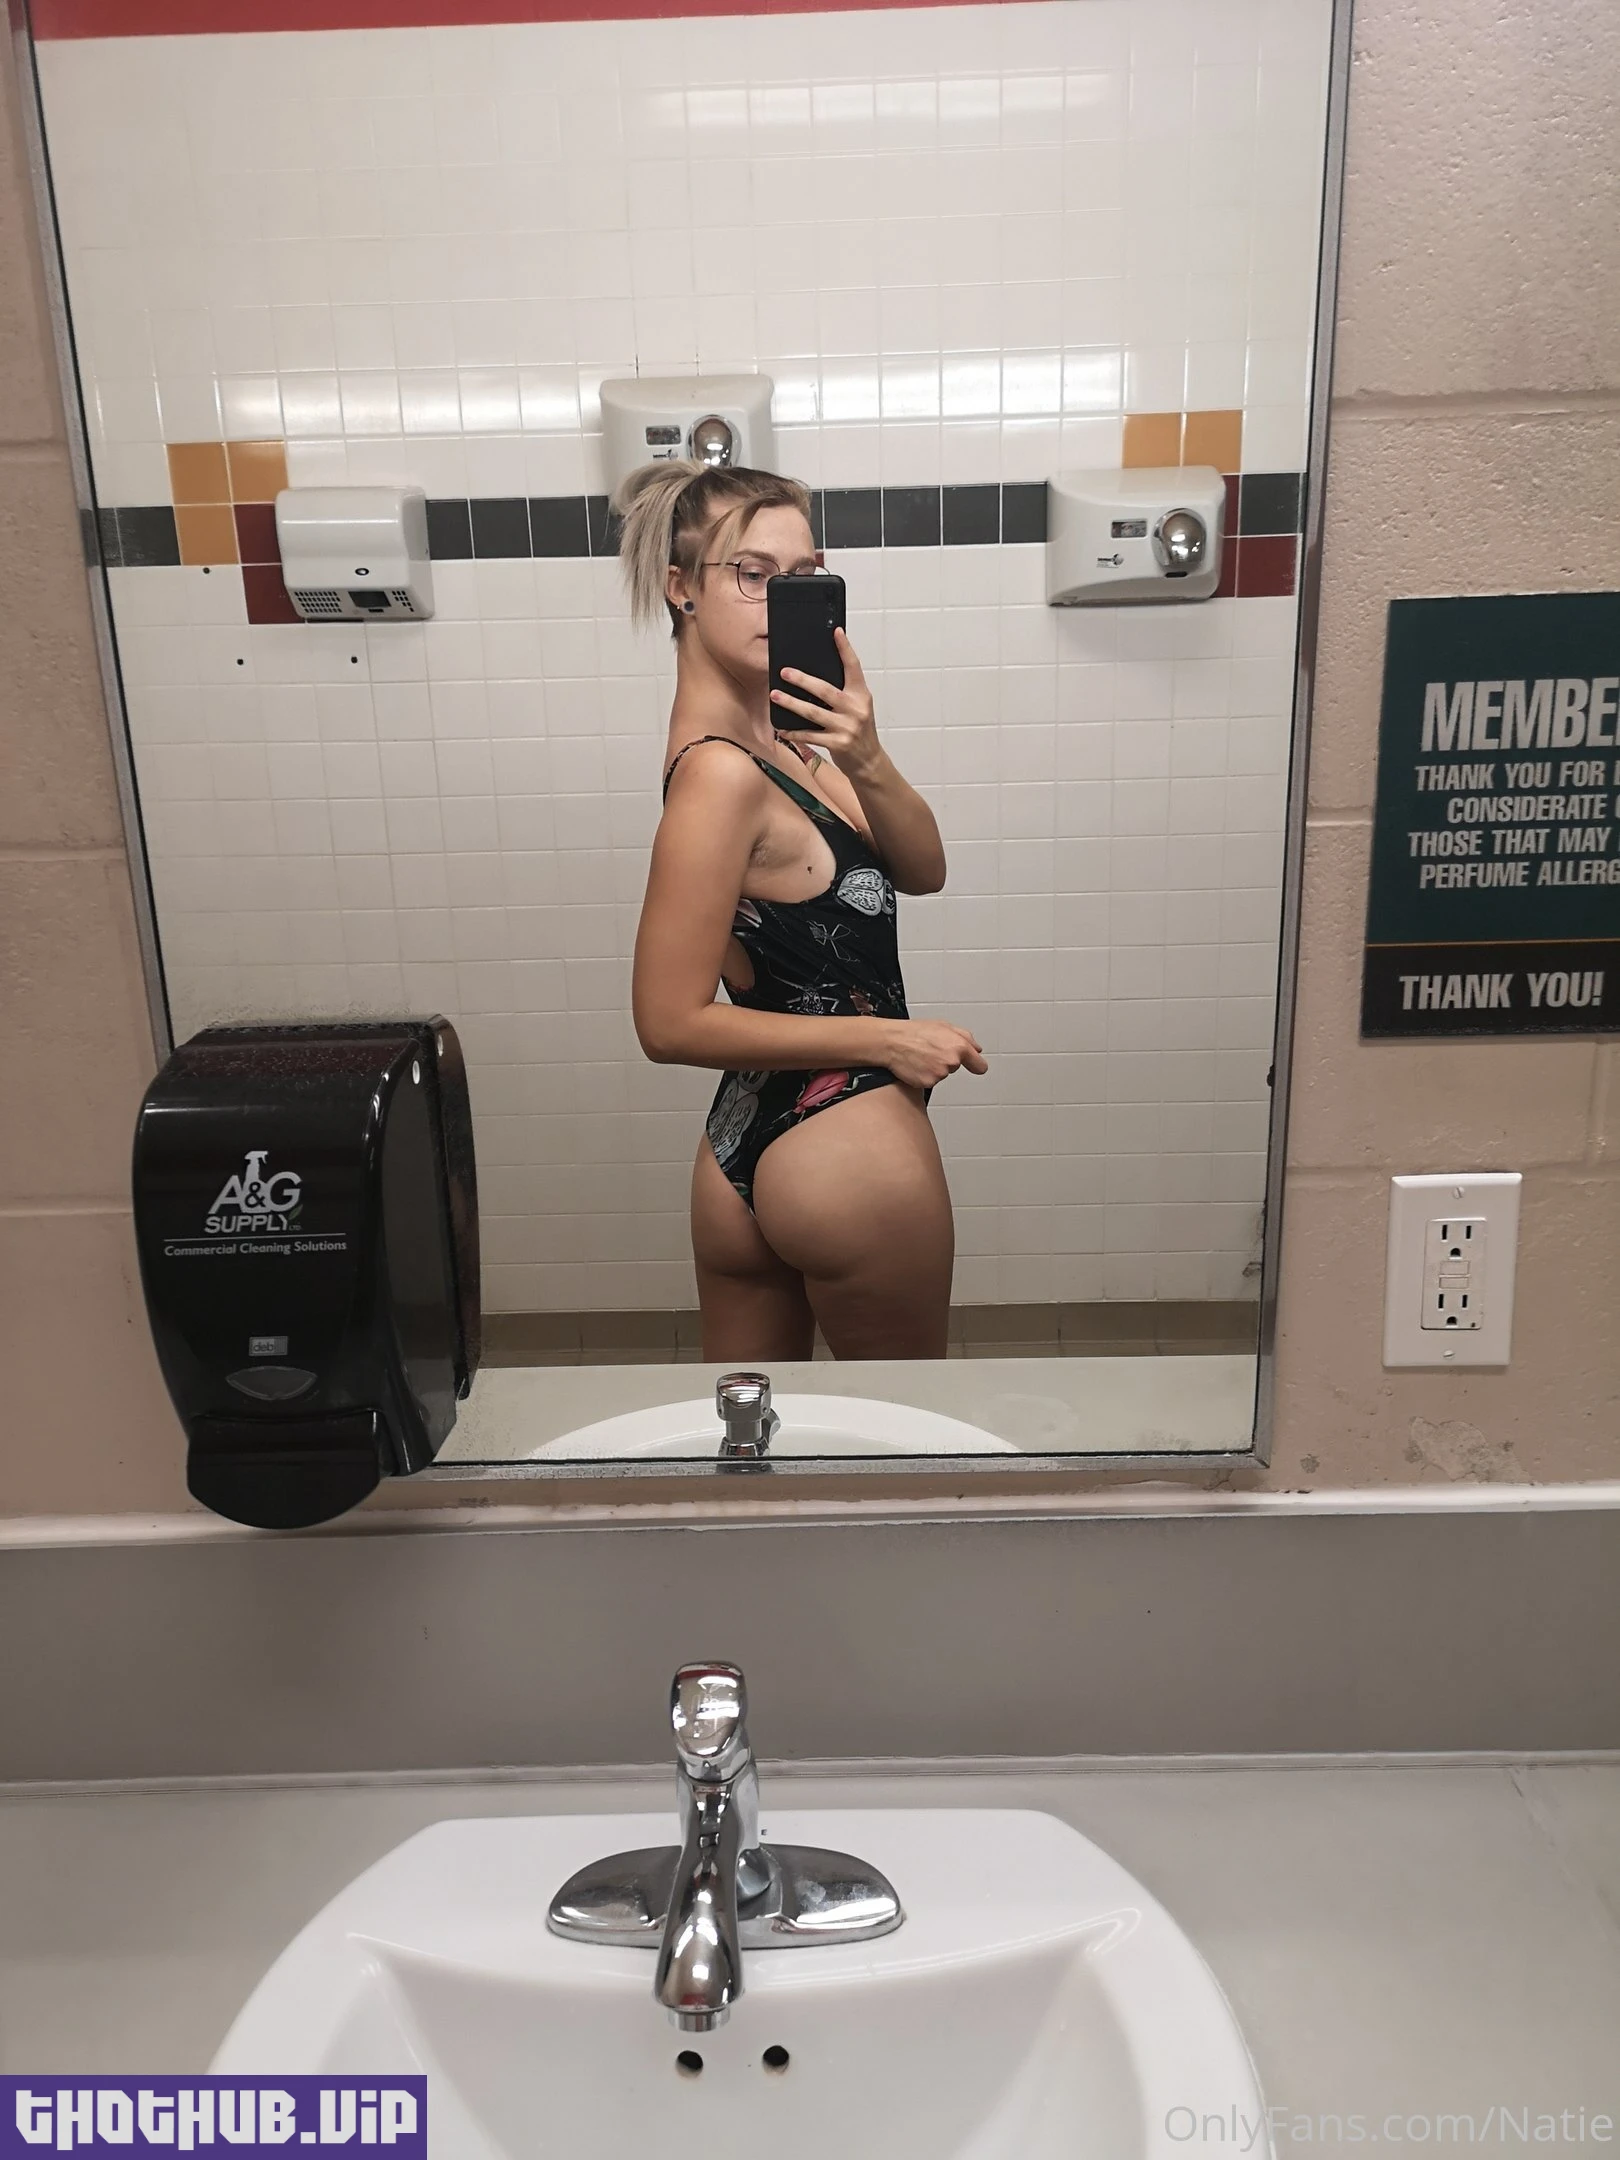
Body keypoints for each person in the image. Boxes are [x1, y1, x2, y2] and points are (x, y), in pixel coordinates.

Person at [620, 458, 988, 1361]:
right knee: (900, 1430)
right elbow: (666, 1023)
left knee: (753, 1437)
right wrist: (888, 1041)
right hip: (848, 1153)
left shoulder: (790, 748)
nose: (781, 599)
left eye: (804, 577)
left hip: (741, 1146)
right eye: (753, 575)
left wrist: (865, 753)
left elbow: (925, 869)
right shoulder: (720, 773)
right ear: (681, 589)